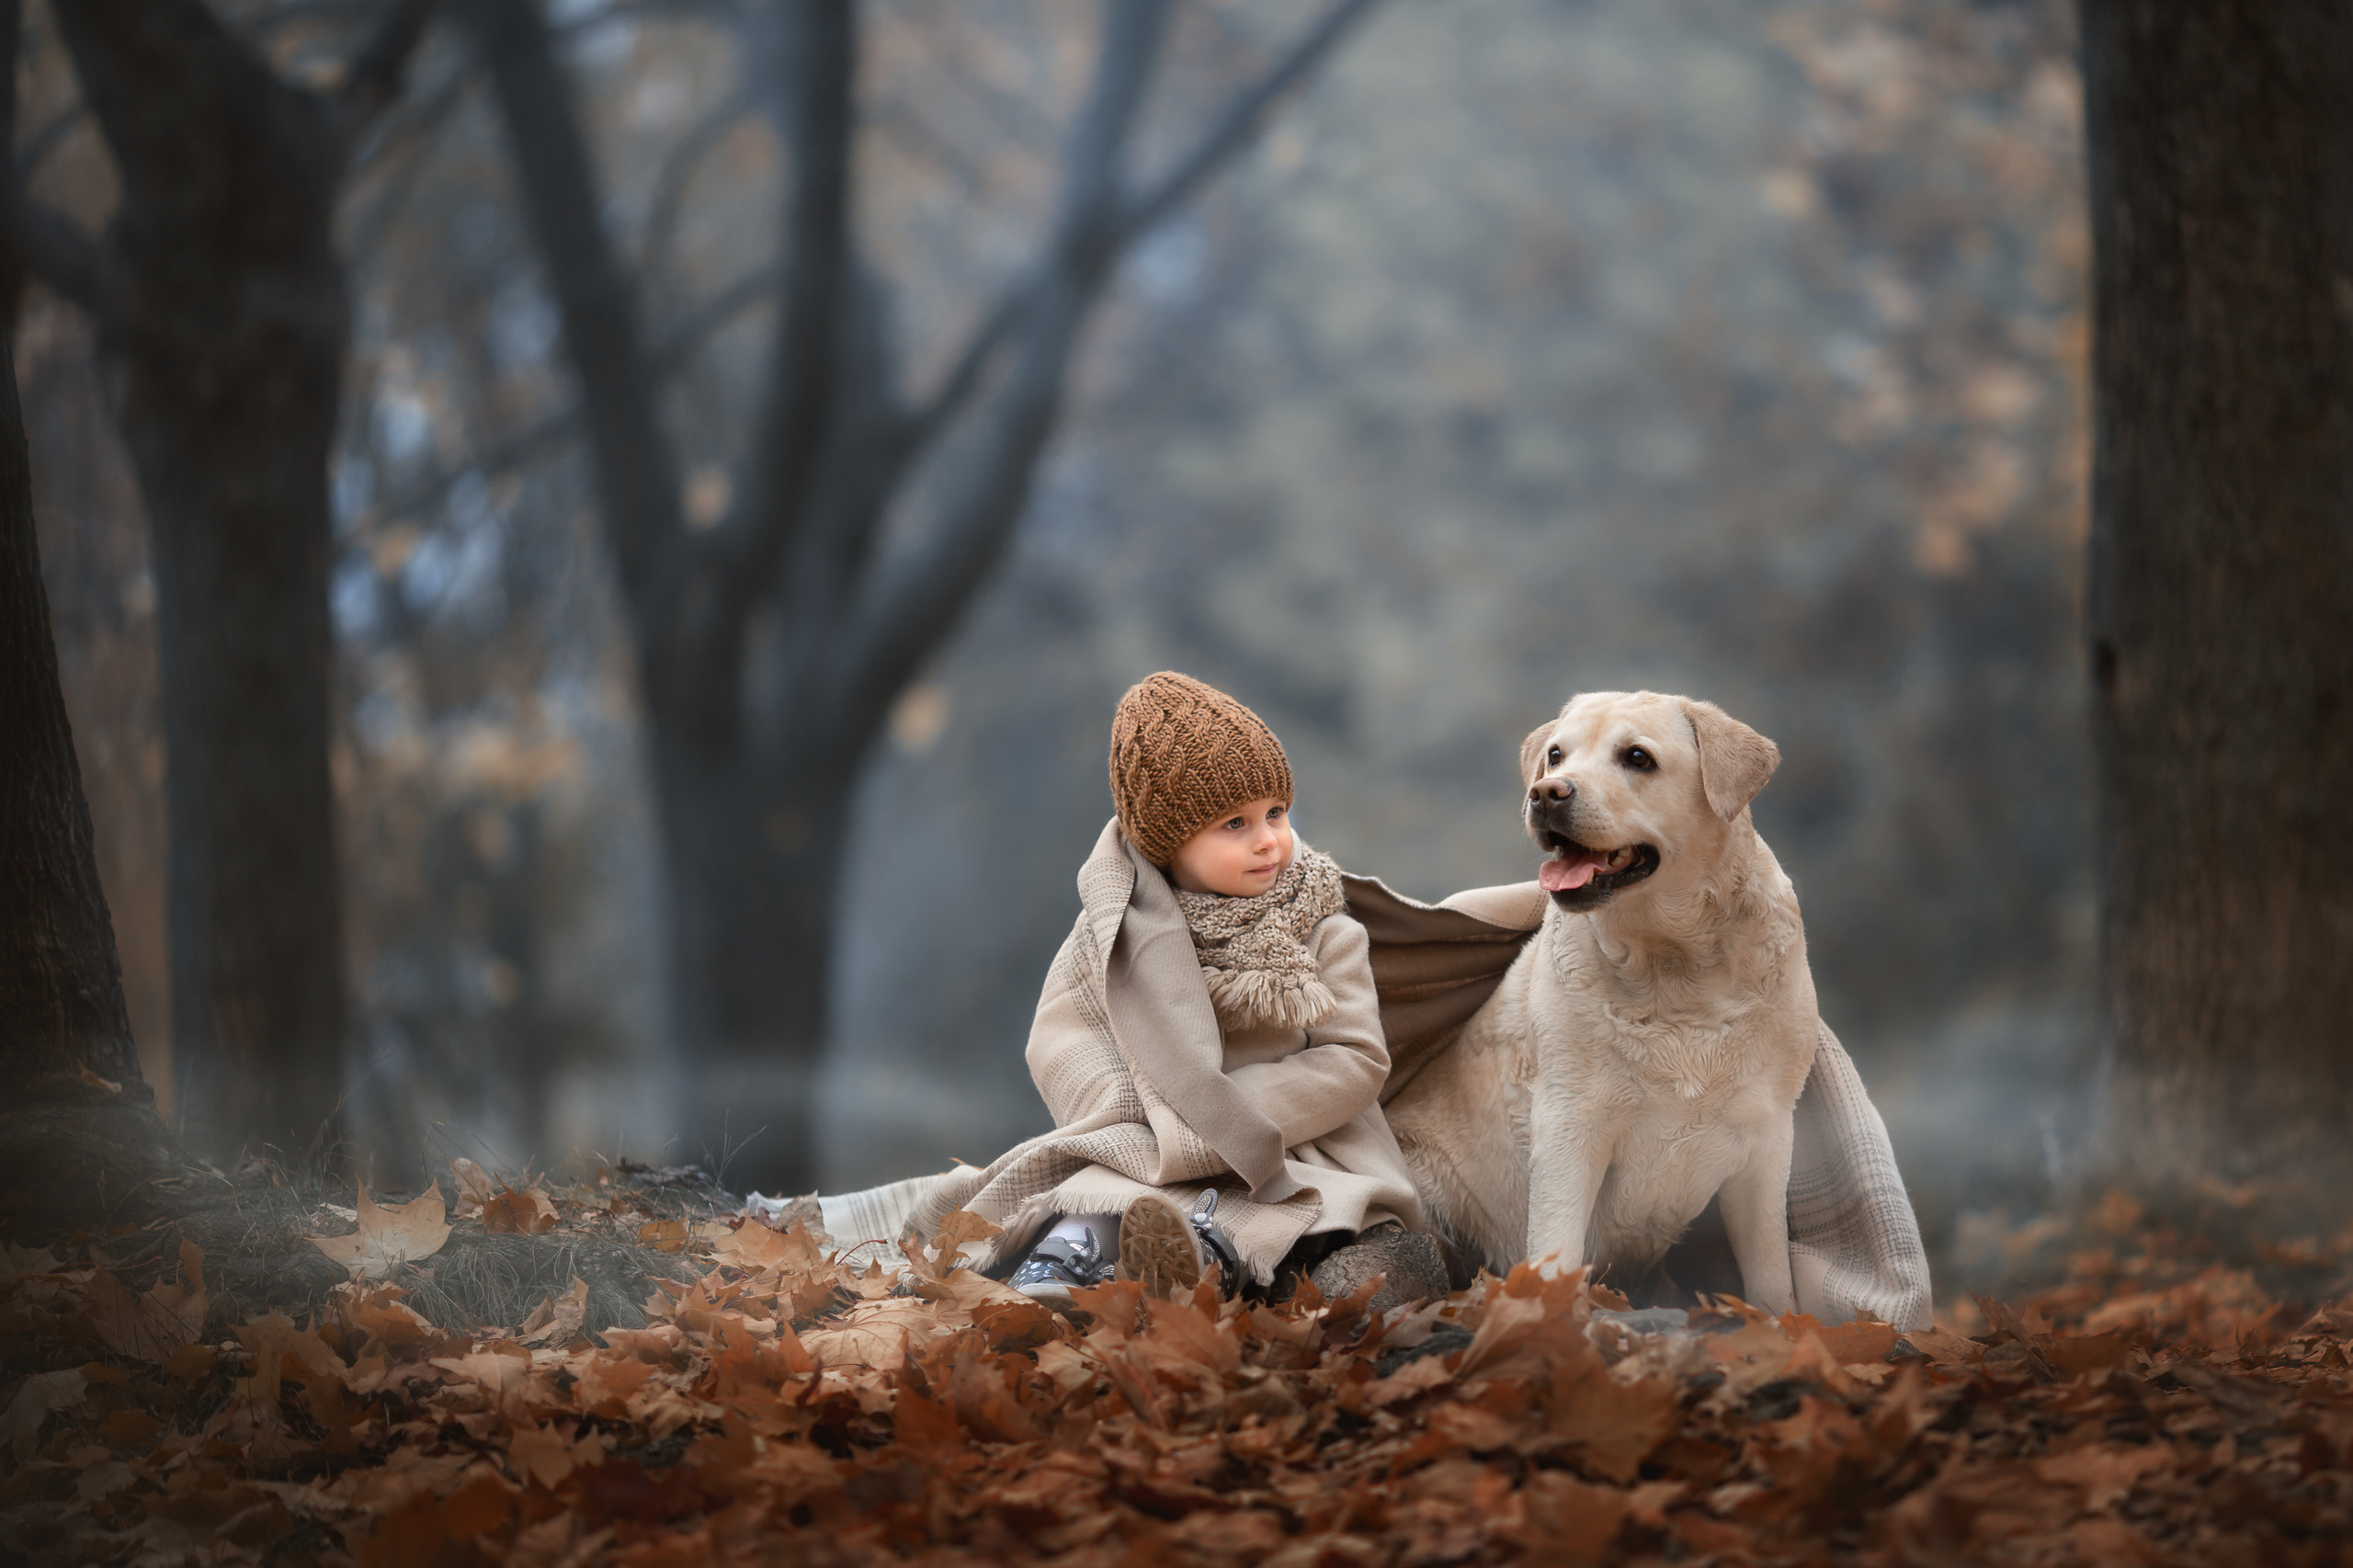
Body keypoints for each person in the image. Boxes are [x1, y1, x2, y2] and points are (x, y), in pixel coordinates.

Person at [825, 671, 1440, 1311]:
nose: (1268, 840)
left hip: (1295, 1149)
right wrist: (1148, 1121)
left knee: (1311, 1224)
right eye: (1234, 823)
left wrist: (1222, 1118)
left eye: (1276, 814)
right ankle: (1072, 1268)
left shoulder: (1322, 928)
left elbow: (1354, 1059)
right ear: (1169, 842)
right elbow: (1064, 1043)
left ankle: (1230, 1269)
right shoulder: (1112, 932)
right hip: (1150, 1144)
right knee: (1098, 1194)